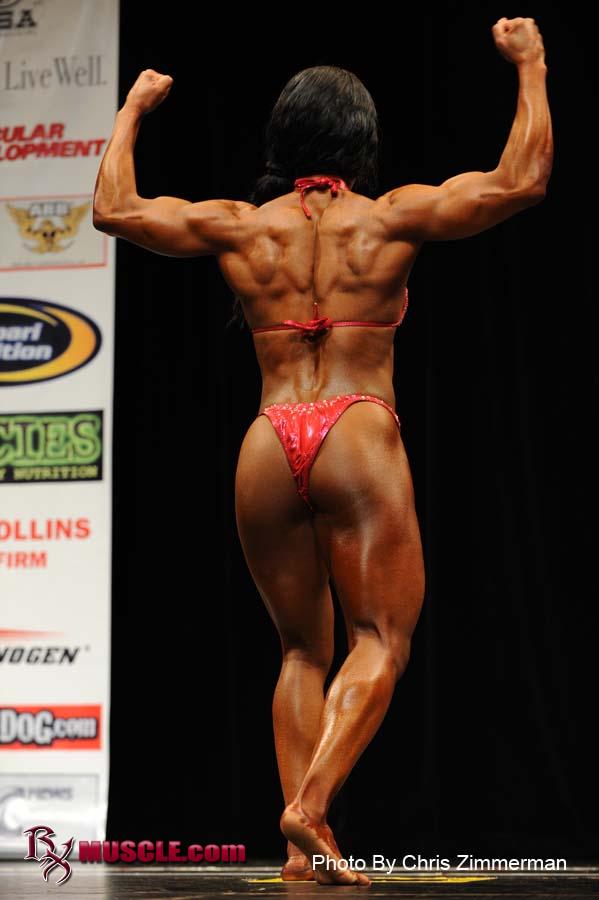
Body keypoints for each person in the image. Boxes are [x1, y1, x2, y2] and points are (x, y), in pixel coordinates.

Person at [93, 16, 551, 887]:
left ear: (281, 141)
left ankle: (306, 851)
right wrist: (529, 64)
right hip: (357, 429)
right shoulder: (391, 217)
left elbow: (114, 210)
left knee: (301, 651)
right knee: (379, 637)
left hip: (268, 438)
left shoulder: (240, 226)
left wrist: (132, 111)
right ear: (363, 142)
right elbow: (519, 180)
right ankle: (309, 807)